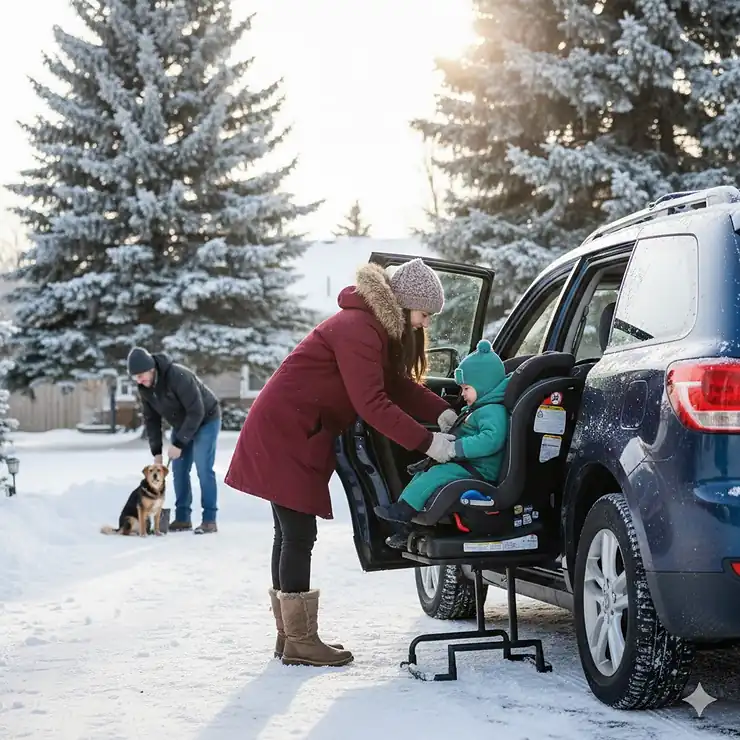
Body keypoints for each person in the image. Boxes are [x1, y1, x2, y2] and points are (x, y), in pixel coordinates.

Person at [225, 258, 459, 668]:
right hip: (287, 432)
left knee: (290, 533)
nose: (424, 324)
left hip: (292, 429)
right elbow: (372, 404)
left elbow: (391, 383)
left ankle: (290, 638)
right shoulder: (359, 329)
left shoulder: (368, 327)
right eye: (424, 315)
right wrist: (428, 443)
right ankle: (298, 640)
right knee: (297, 534)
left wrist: (441, 410)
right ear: (404, 305)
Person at [374, 339, 510, 523]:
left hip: (480, 469)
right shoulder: (479, 408)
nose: (462, 394)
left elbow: (491, 440)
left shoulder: (493, 411)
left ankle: (404, 512)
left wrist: (456, 448)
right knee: (425, 473)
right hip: (468, 464)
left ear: (484, 385)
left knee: (437, 474)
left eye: (466, 388)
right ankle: (405, 511)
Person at [127, 347, 222, 535]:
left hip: (206, 419)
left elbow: (196, 411)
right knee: (178, 470)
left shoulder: (178, 376)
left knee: (203, 468)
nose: (139, 380)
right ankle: (183, 518)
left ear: (151, 368)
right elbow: (151, 421)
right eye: (135, 377)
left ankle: (209, 520)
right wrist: (157, 453)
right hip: (182, 423)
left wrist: (179, 443)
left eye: (141, 375)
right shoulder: (145, 389)